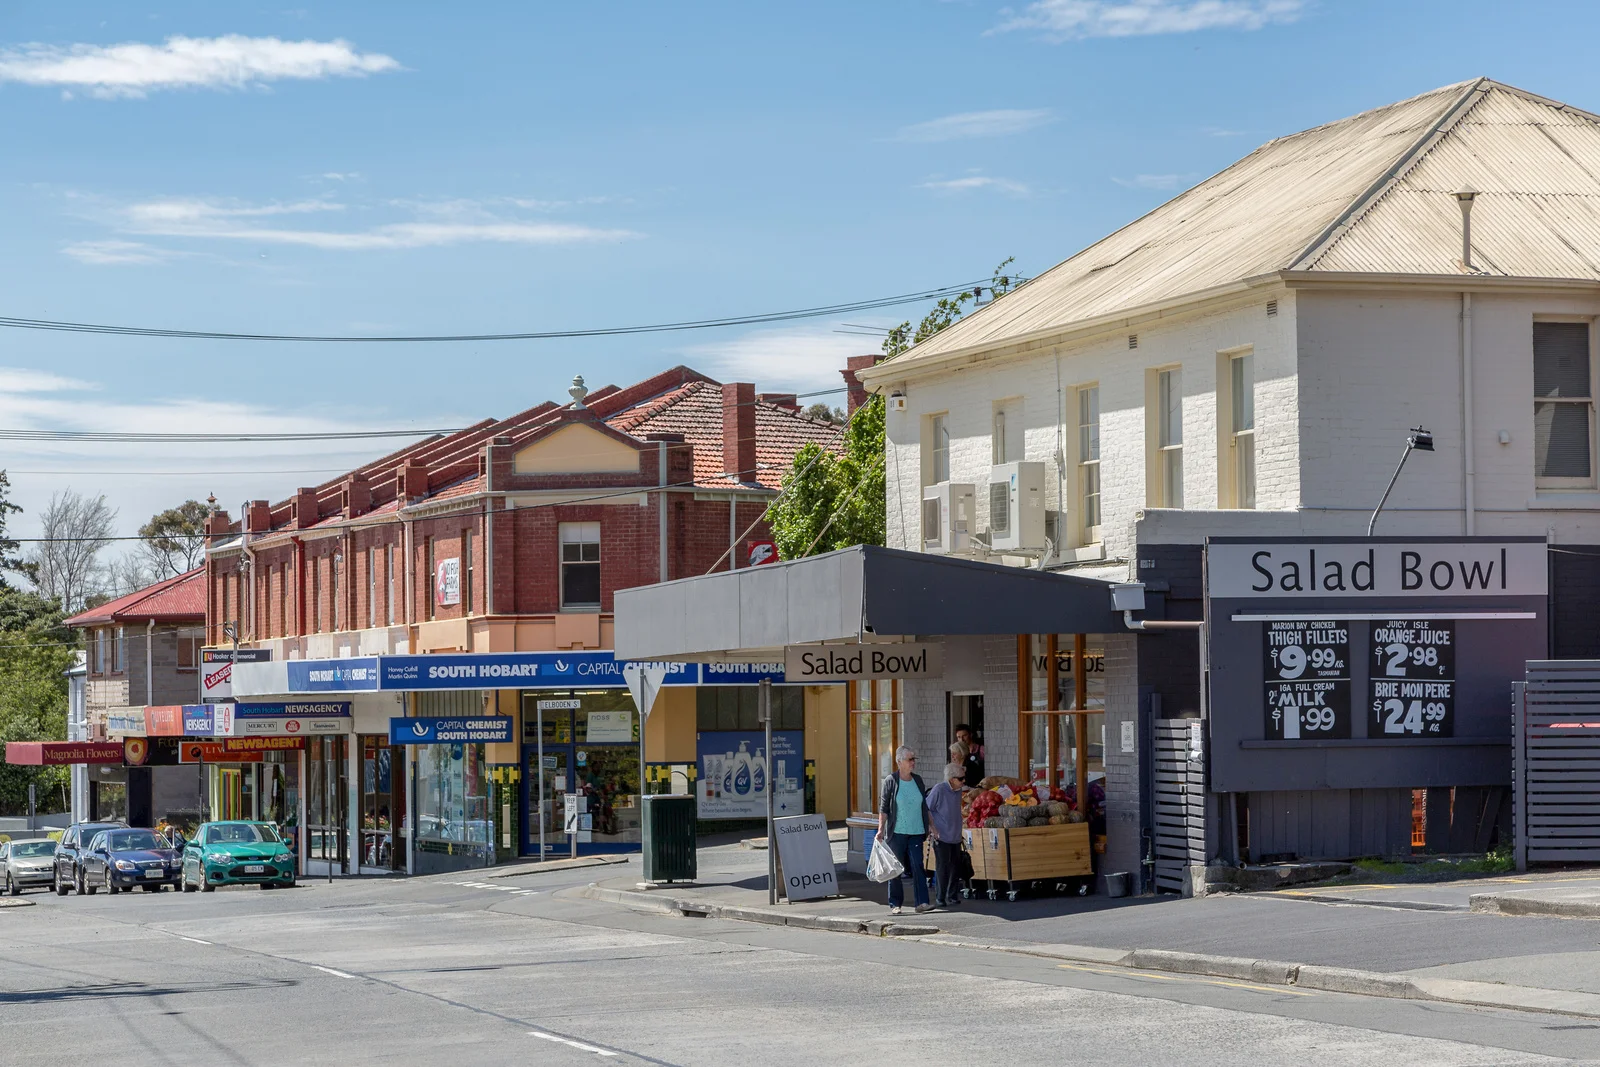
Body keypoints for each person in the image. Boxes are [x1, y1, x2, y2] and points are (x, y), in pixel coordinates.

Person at [876, 746, 931, 915]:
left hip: (916, 830)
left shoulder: (918, 780)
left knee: (918, 866)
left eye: (914, 759)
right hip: (897, 832)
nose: (913, 762)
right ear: (899, 762)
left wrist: (932, 826)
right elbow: (884, 808)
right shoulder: (891, 781)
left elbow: (924, 806)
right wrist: (880, 830)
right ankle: (895, 904)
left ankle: (922, 902)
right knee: (896, 868)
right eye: (910, 759)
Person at [924, 762, 967, 909]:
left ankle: (952, 895)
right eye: (961, 779)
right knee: (943, 867)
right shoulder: (939, 789)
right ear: (952, 779)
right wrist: (932, 829)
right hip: (941, 835)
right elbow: (927, 808)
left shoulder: (958, 791)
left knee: (955, 866)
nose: (963, 781)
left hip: (955, 834)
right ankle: (940, 897)